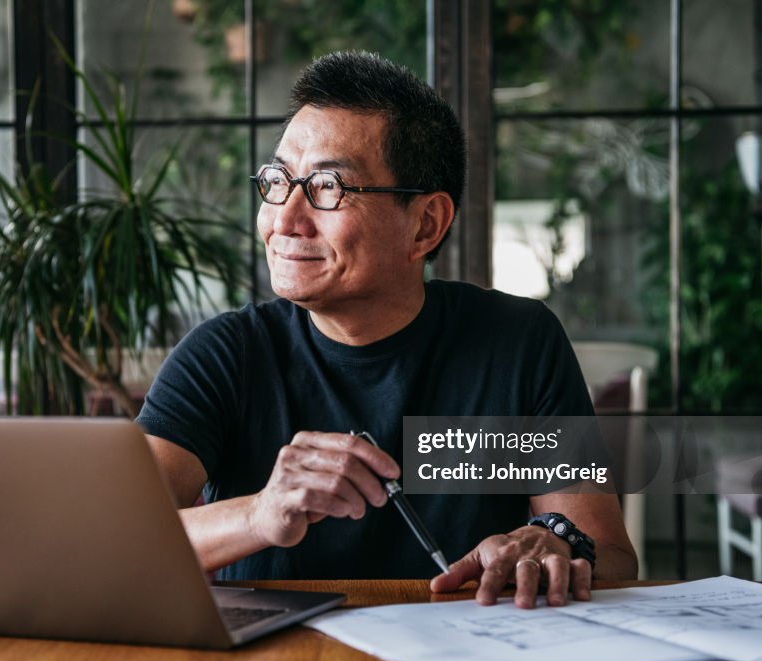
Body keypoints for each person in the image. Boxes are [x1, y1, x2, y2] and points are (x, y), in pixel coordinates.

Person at [137, 51, 637, 609]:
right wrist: (260, 514)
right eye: (278, 180)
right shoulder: (225, 355)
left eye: (328, 186)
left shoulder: (516, 342)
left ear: (425, 224)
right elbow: (117, 540)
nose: (284, 219)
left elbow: (612, 556)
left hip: (466, 657)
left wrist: (556, 549)